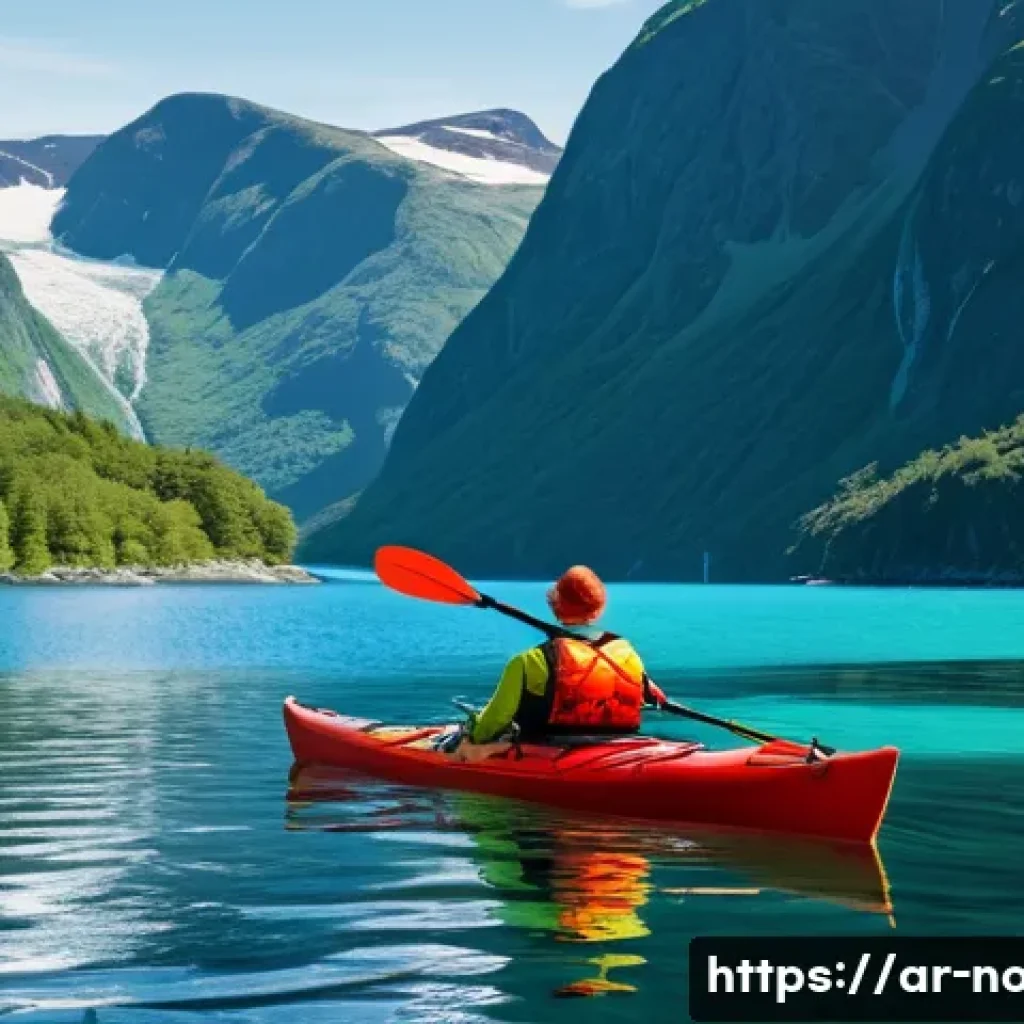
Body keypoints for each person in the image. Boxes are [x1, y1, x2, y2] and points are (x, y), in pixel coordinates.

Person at [456, 566, 666, 756]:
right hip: (622, 745)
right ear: (599, 608)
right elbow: (654, 696)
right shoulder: (627, 654)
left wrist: (473, 733)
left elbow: (493, 723)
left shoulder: (529, 662)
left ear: (556, 607)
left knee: (470, 744)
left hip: (547, 749)